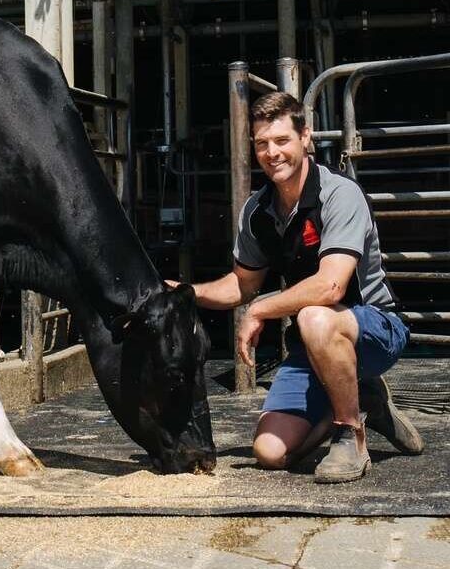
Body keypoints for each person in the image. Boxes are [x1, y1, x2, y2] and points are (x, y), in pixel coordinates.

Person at [168, 91, 423, 483]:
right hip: (314, 345)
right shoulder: (257, 210)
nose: (272, 153)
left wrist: (260, 309)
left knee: (315, 316)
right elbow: (242, 284)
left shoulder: (339, 194)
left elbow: (331, 286)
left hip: (375, 330)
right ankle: (363, 400)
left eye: (282, 140)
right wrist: (186, 291)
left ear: (306, 138)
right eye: (262, 144)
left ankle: (350, 436)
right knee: (270, 453)